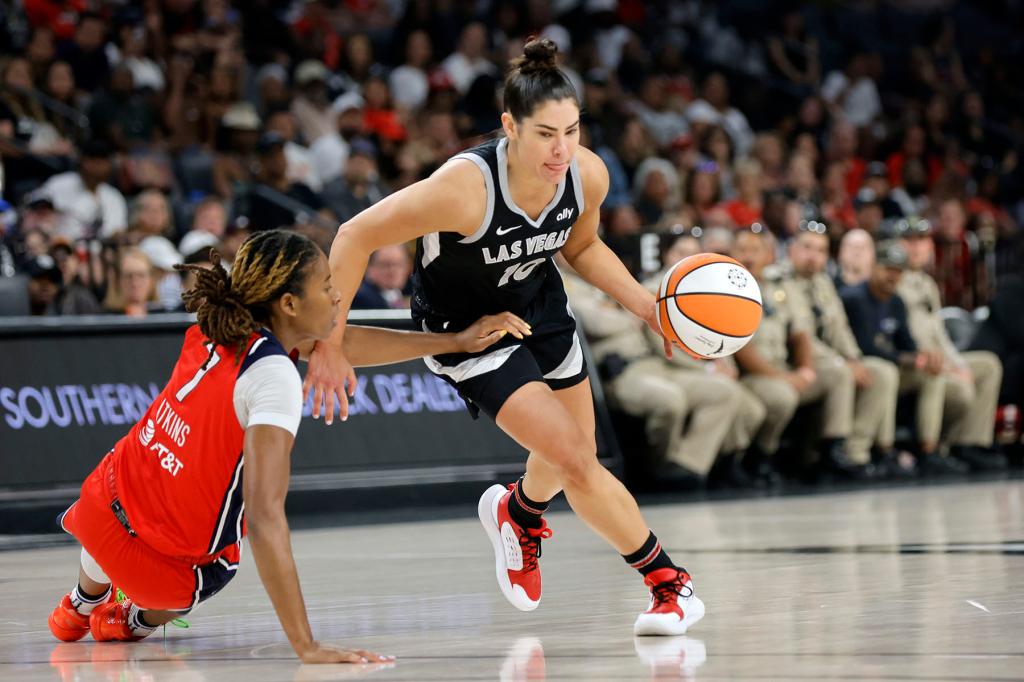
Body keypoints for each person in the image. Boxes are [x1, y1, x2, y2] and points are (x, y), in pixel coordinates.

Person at [306, 39, 704, 636]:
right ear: (509, 128)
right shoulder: (463, 189)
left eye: (571, 130)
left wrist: (647, 306)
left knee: (575, 456)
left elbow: (582, 246)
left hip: (538, 306)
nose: (562, 148)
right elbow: (353, 235)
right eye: (546, 134)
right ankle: (669, 584)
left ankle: (518, 513)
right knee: (572, 457)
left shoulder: (584, 174)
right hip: (466, 326)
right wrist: (330, 345)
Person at [48, 230, 520, 662]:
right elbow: (266, 515)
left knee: (134, 473)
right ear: (290, 304)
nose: (338, 295)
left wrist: (454, 341)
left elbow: (343, 344)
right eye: (327, 285)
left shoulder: (219, 325)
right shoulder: (272, 377)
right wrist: (306, 646)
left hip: (96, 507)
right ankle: (130, 620)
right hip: (153, 571)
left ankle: (80, 600)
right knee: (225, 554)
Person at [840, 241, 967, 475]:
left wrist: (923, 357)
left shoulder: (896, 301)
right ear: (874, 267)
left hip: (890, 362)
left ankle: (928, 449)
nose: (893, 276)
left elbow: (906, 342)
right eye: (888, 269)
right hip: (860, 364)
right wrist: (906, 359)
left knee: (931, 374)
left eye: (898, 271)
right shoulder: (854, 298)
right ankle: (882, 449)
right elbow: (866, 346)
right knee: (886, 371)